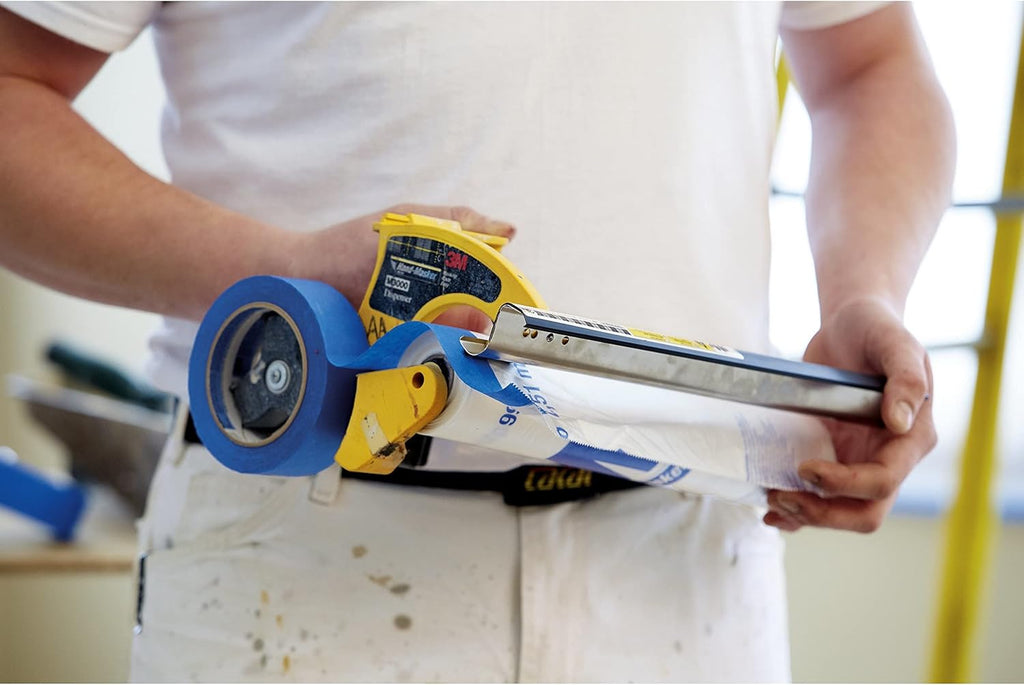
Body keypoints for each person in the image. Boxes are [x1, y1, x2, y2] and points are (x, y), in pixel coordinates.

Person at [0, 2, 951, 681]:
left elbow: (872, 65)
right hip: (304, 549)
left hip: (689, 563)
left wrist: (866, 290)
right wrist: (282, 265)